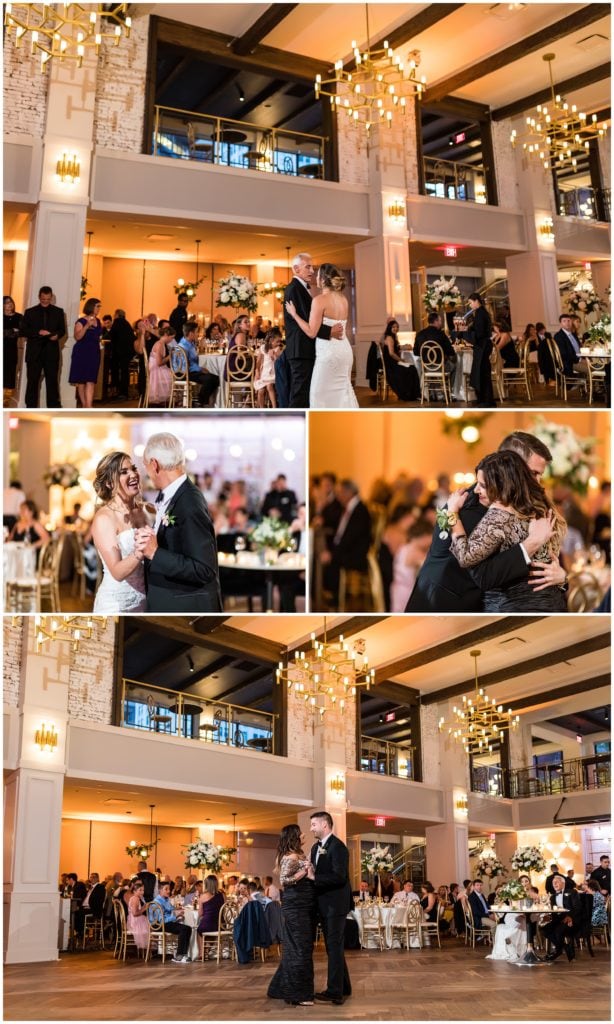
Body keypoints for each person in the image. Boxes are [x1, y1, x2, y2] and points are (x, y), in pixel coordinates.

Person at [406, 431, 567, 612]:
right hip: (442, 606)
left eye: (540, 475)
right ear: (511, 465)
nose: (538, 483)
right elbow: (482, 573)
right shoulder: (466, 506)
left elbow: (544, 562)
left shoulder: (520, 505)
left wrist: (561, 577)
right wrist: (530, 544)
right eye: (533, 473)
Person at [447, 450, 567, 611]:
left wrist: (452, 513)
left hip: (518, 607)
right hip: (553, 603)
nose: (476, 490)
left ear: (501, 485)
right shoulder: (538, 507)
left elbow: (465, 556)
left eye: (482, 485)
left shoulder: (500, 512)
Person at [135, 432, 222, 612]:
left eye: (145, 466)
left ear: (154, 465)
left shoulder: (189, 501)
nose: (147, 473)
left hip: (186, 609)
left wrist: (155, 553)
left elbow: (204, 569)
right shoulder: (173, 494)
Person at [286, 262, 357, 409]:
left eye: (318, 275)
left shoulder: (319, 300)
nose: (315, 276)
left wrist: (294, 315)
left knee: (319, 395)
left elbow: (311, 332)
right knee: (343, 392)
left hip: (328, 353)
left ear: (323, 280)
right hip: (344, 350)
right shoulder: (344, 300)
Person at [90, 452, 148, 613]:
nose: (133, 474)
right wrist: (141, 550)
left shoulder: (146, 510)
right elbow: (116, 572)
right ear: (109, 483)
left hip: (146, 602)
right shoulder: (104, 518)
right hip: (116, 605)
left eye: (133, 469)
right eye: (124, 472)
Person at [309, 810, 352, 1006]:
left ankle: (335, 992)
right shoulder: (314, 848)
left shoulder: (338, 847)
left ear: (325, 825)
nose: (311, 828)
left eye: (313, 825)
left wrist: (314, 877)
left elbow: (339, 876)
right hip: (323, 905)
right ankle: (345, 986)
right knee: (333, 947)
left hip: (336, 905)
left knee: (333, 947)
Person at [321, 479, 371, 609]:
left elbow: (351, 538)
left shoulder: (360, 510)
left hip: (355, 554)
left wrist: (333, 553)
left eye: (341, 492)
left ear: (349, 492)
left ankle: (335, 598)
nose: (339, 495)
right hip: (346, 549)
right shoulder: (348, 507)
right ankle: (329, 594)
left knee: (331, 561)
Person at [22, 285, 66, 407]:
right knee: (32, 382)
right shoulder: (29, 312)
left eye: (48, 299)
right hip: (34, 353)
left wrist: (56, 336)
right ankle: (30, 407)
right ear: (39, 297)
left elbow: (62, 330)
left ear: (51, 297)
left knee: (52, 382)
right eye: (43, 299)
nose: (45, 301)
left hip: (51, 352)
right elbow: (23, 331)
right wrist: (38, 332)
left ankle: (53, 407)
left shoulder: (59, 312)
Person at [69, 297, 103, 407]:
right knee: (82, 381)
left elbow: (98, 336)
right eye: (97, 306)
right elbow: (78, 337)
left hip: (94, 353)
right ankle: (85, 405)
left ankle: (89, 405)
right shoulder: (81, 321)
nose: (99, 308)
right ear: (91, 306)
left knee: (91, 380)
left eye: (99, 306)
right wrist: (87, 326)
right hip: (82, 353)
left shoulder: (98, 321)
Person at [178, 322, 219, 406]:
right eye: (196, 332)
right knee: (210, 379)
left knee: (215, 378)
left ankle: (200, 401)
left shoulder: (190, 343)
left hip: (190, 371)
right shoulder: (183, 346)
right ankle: (200, 401)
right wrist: (200, 369)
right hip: (184, 373)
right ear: (190, 333)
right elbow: (185, 366)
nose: (198, 334)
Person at [542, 874, 581, 961]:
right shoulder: (552, 897)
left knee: (558, 931)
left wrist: (570, 917)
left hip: (572, 919)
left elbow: (577, 907)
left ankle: (558, 951)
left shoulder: (572, 892)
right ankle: (563, 947)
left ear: (563, 883)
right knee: (544, 929)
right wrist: (548, 917)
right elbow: (554, 912)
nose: (554, 884)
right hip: (559, 920)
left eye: (557, 882)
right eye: (553, 883)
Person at [465, 292, 495, 405]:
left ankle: (486, 400)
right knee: (482, 373)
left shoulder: (480, 314)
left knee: (482, 373)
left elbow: (479, 333)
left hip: (482, 346)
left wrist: (466, 333)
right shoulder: (480, 313)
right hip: (483, 345)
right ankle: (484, 399)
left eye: (470, 302)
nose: (470, 305)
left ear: (477, 301)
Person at [380, 319, 419, 401]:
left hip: (392, 364)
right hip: (391, 366)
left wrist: (403, 346)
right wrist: (401, 360)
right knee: (411, 369)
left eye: (397, 327)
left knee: (411, 368)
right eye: (393, 327)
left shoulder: (391, 337)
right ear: (389, 327)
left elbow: (395, 348)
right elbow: (391, 353)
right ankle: (409, 394)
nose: (396, 328)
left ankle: (411, 393)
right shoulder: (390, 337)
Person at [153, 881, 193, 963]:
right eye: (166, 889)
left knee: (188, 928)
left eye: (169, 889)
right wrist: (176, 916)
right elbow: (161, 920)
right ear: (160, 890)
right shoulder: (157, 902)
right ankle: (179, 956)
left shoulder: (166, 899)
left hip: (167, 923)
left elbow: (172, 910)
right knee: (184, 929)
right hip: (159, 925)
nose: (168, 891)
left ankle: (183, 954)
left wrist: (178, 911)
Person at [414, 312, 457, 377]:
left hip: (425, 367)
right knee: (456, 366)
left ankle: (432, 384)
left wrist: (427, 356)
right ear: (436, 321)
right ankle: (449, 386)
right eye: (440, 321)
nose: (441, 323)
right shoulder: (441, 335)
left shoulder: (420, 334)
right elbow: (451, 352)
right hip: (440, 367)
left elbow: (415, 352)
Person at [109, 309, 135, 400]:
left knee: (117, 371)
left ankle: (118, 391)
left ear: (116, 315)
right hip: (128, 351)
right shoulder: (127, 324)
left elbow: (110, 335)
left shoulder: (117, 322)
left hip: (119, 352)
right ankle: (124, 392)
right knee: (125, 371)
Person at [196, 875, 225, 955]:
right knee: (209, 929)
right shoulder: (222, 895)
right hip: (220, 924)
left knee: (199, 930)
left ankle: (201, 953)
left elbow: (200, 913)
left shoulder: (203, 896)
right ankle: (206, 951)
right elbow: (224, 909)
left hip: (209, 923)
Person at [148, 327, 173, 405]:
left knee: (173, 373)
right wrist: (170, 356)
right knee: (175, 377)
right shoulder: (160, 345)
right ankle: (171, 402)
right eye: (171, 337)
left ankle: (170, 403)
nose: (172, 340)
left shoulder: (161, 343)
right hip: (156, 370)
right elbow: (159, 363)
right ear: (166, 335)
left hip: (156, 368)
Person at [3, 295, 22, 393]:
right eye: (6, 302)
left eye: (11, 302)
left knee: (9, 374)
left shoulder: (19, 317)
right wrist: (12, 331)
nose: (9, 304)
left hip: (11, 350)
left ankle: (5, 400)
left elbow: (21, 332)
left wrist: (7, 332)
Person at [254, 332, 277, 407]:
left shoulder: (277, 349)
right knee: (261, 390)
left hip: (273, 373)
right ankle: (262, 408)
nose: (277, 343)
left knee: (269, 386)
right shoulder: (263, 348)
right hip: (264, 373)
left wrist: (273, 355)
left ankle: (274, 407)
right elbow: (258, 362)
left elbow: (277, 362)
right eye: (275, 341)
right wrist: (257, 371)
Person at [127, 879, 149, 951]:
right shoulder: (135, 899)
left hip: (135, 920)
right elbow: (135, 913)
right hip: (135, 921)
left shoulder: (136, 898)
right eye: (140, 890)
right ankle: (150, 951)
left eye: (143, 890)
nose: (142, 892)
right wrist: (144, 908)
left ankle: (148, 951)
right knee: (151, 927)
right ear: (134, 891)